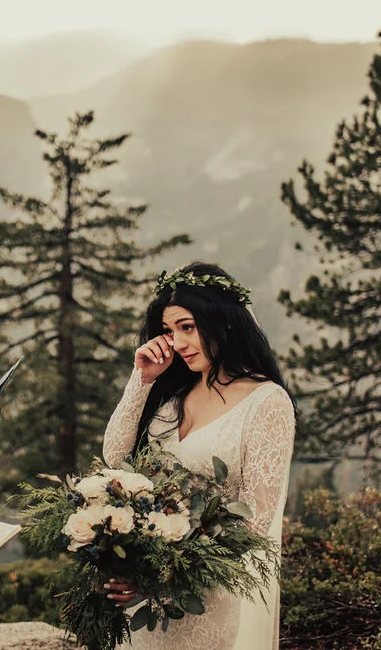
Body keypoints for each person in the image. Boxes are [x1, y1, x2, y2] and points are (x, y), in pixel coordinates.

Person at [102, 262, 296, 650]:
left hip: (212, 602)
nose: (177, 343)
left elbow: (255, 522)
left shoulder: (267, 402)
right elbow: (115, 458)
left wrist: (159, 575)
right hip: (148, 605)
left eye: (187, 327)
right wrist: (141, 380)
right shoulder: (173, 399)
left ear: (223, 321)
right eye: (169, 331)